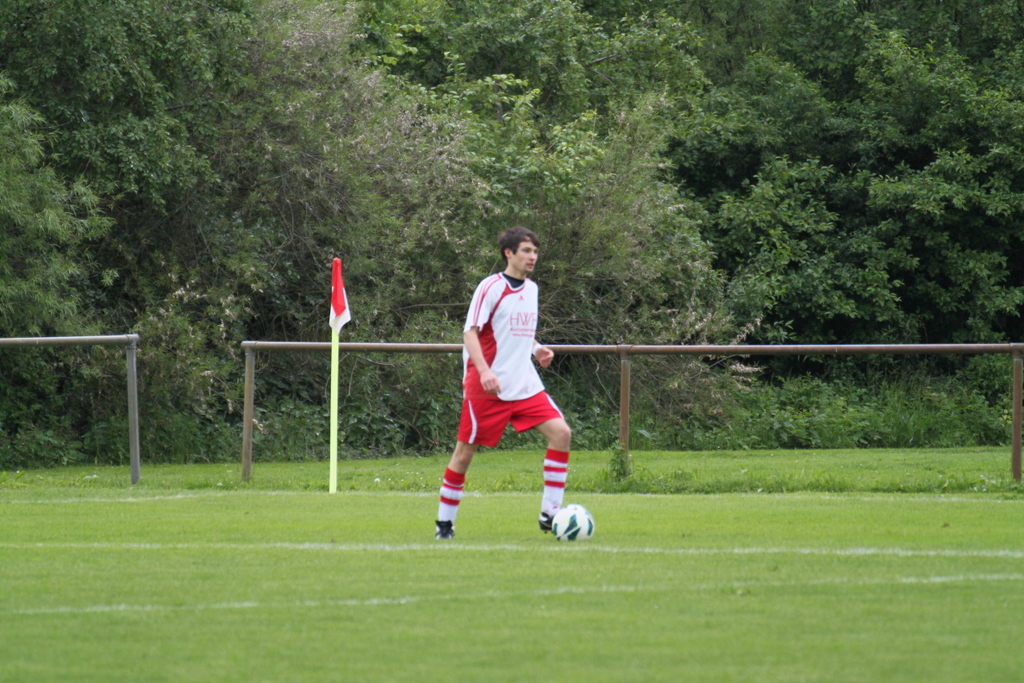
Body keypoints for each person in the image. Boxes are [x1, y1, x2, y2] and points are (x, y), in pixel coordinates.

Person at [435, 227, 572, 539]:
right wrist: (485, 372)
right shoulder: (491, 287)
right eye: (526, 251)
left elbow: (515, 332)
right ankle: (444, 524)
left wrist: (537, 349)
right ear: (509, 253)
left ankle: (550, 514)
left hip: (523, 384)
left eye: (535, 251)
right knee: (464, 454)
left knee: (562, 433)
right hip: (487, 386)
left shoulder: (532, 290)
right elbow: (470, 332)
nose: (532, 257)